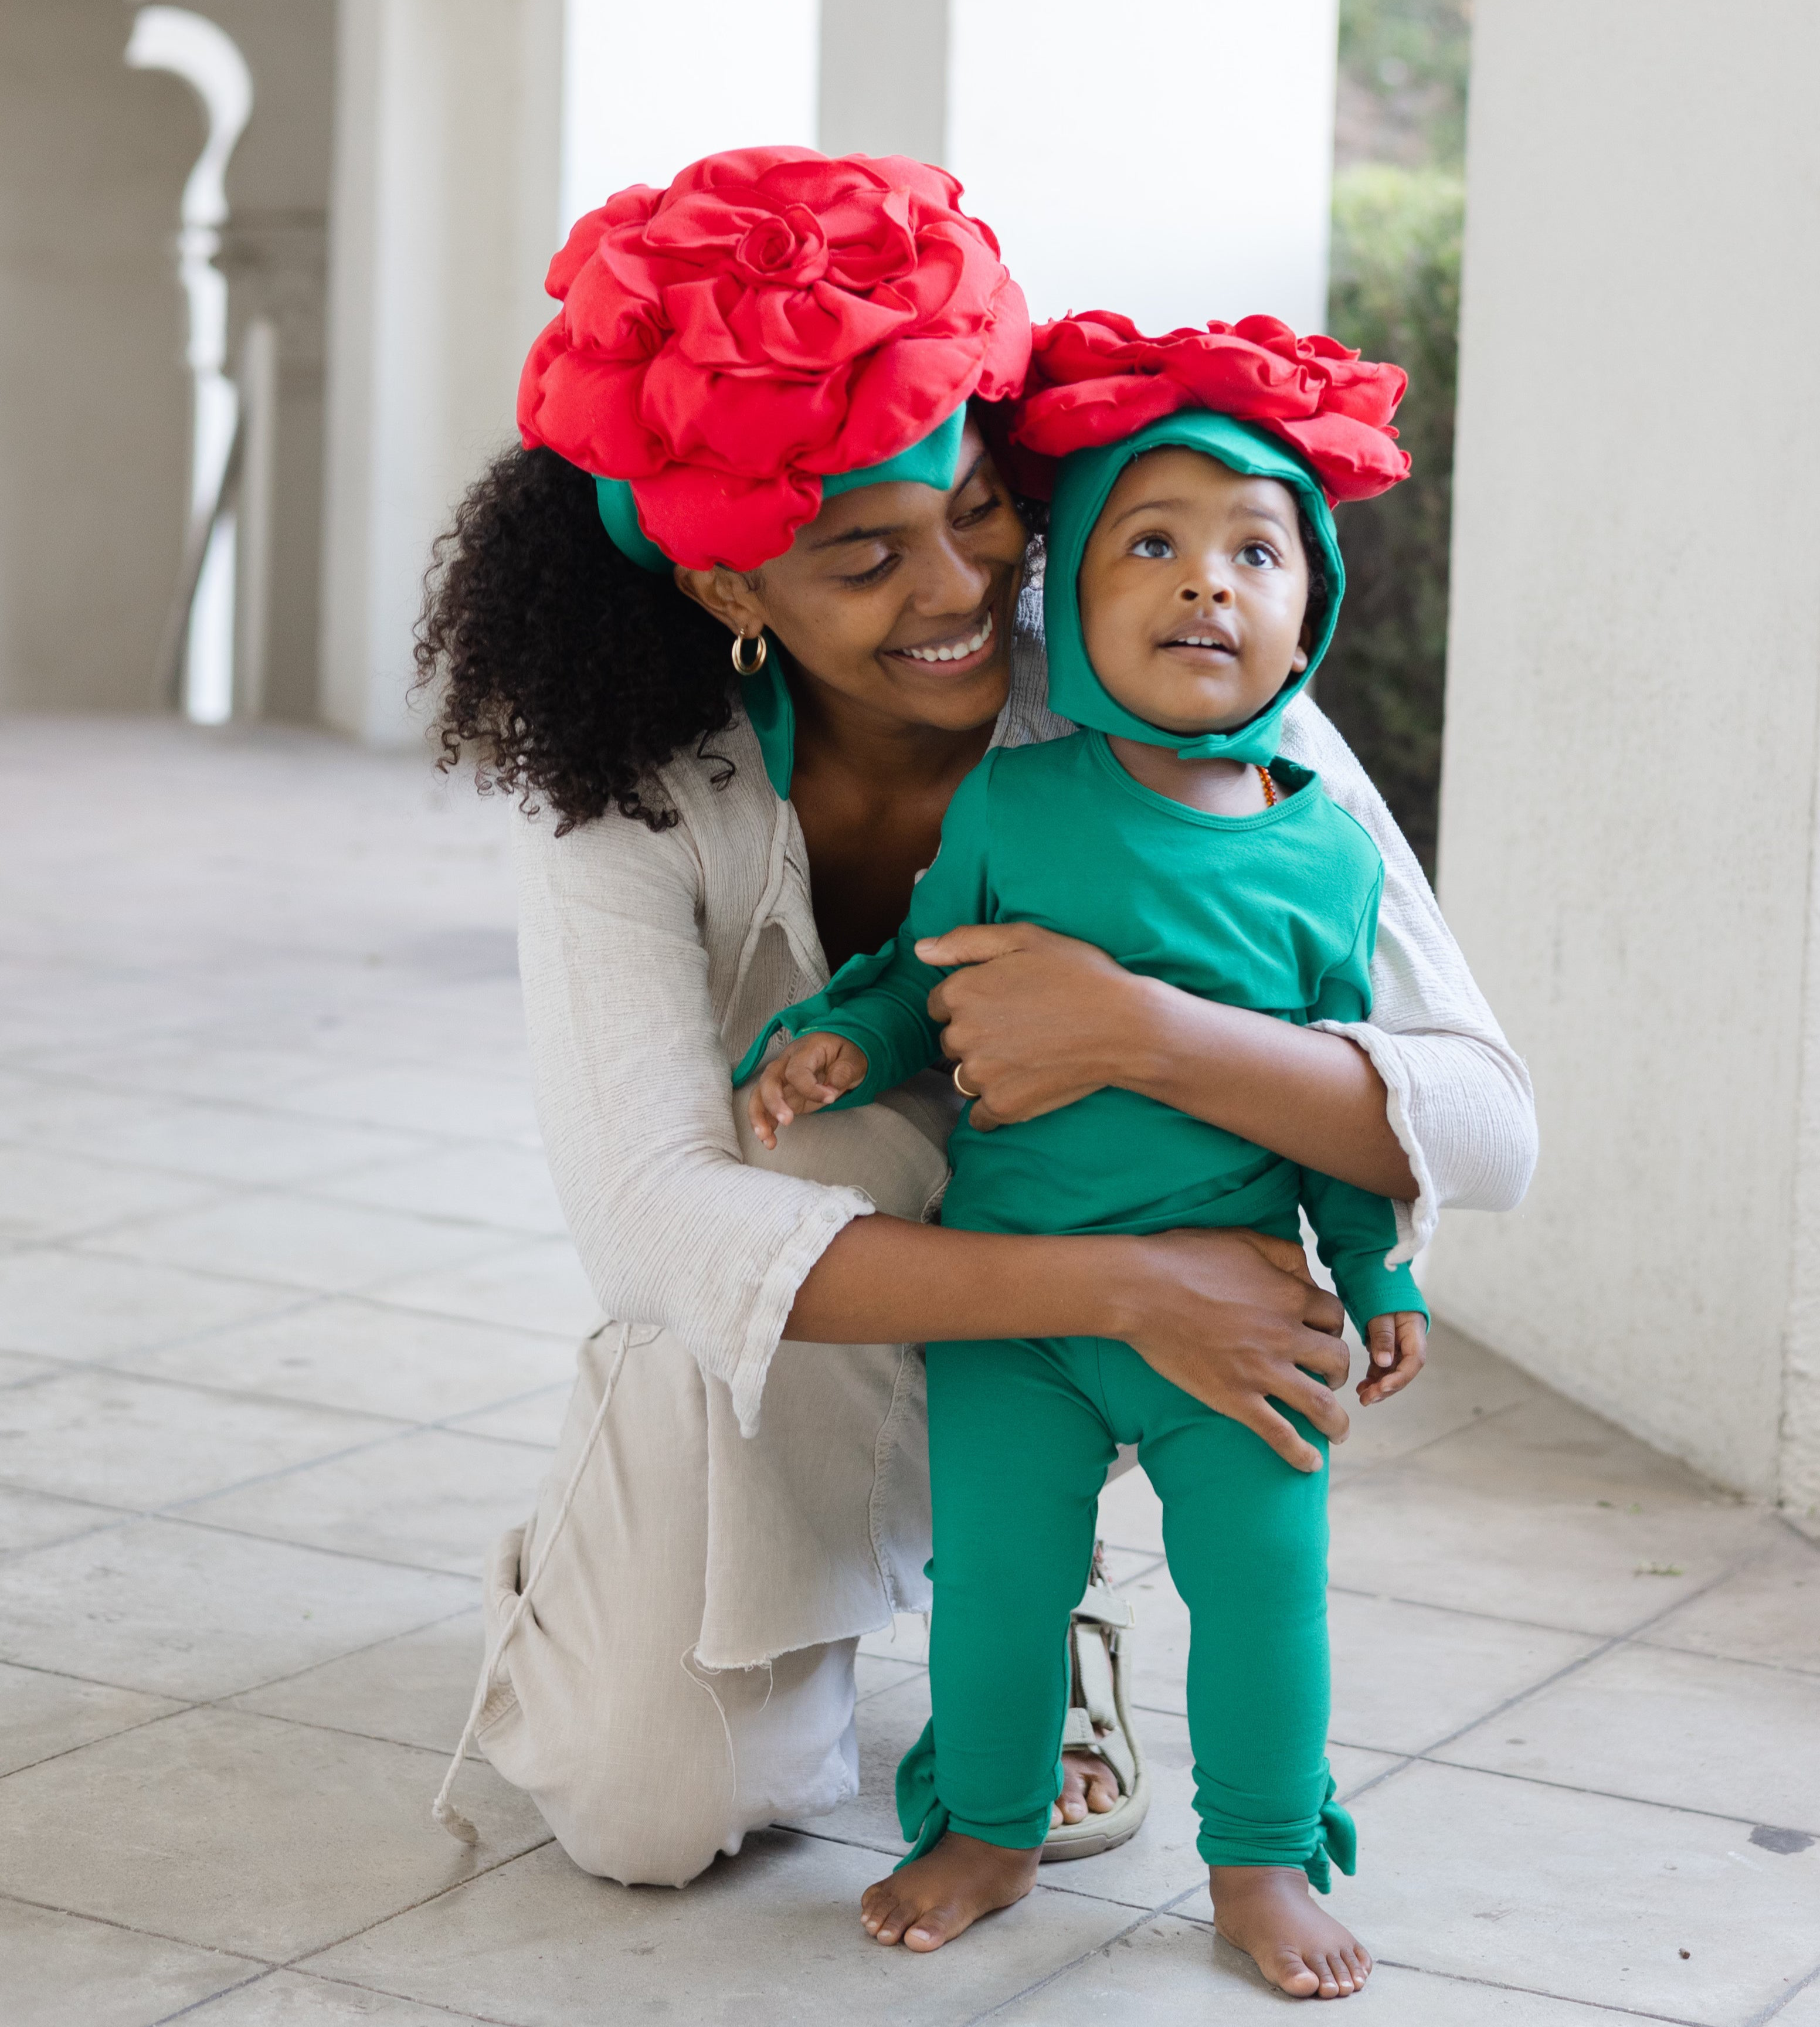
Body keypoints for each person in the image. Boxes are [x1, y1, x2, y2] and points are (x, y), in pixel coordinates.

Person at [416, 146, 1536, 1899]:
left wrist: (1140, 1034)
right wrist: (1130, 1288)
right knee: (650, 1814)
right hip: (806, 1312)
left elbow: (1486, 1125)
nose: (958, 592)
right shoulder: (632, 792)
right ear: (730, 591)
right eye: (861, 555)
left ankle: (1029, 1602)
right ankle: (663, 1582)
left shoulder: (1177, 677)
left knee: (890, 1152)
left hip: (1063, 1233)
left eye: (983, 509)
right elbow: (652, 1225)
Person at [745, 310, 1430, 1998]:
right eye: (1153, 541)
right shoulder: (1019, 803)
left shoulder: (1330, 860)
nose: (1208, 583)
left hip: (1246, 1316)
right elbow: (925, 976)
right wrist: (844, 1040)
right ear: (1073, 603)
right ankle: (987, 1822)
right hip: (1024, 1323)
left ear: (1307, 610)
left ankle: (1263, 1852)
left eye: (1254, 552)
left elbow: (1351, 1093)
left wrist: (1381, 1263)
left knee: (1267, 1599)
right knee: (998, 1585)